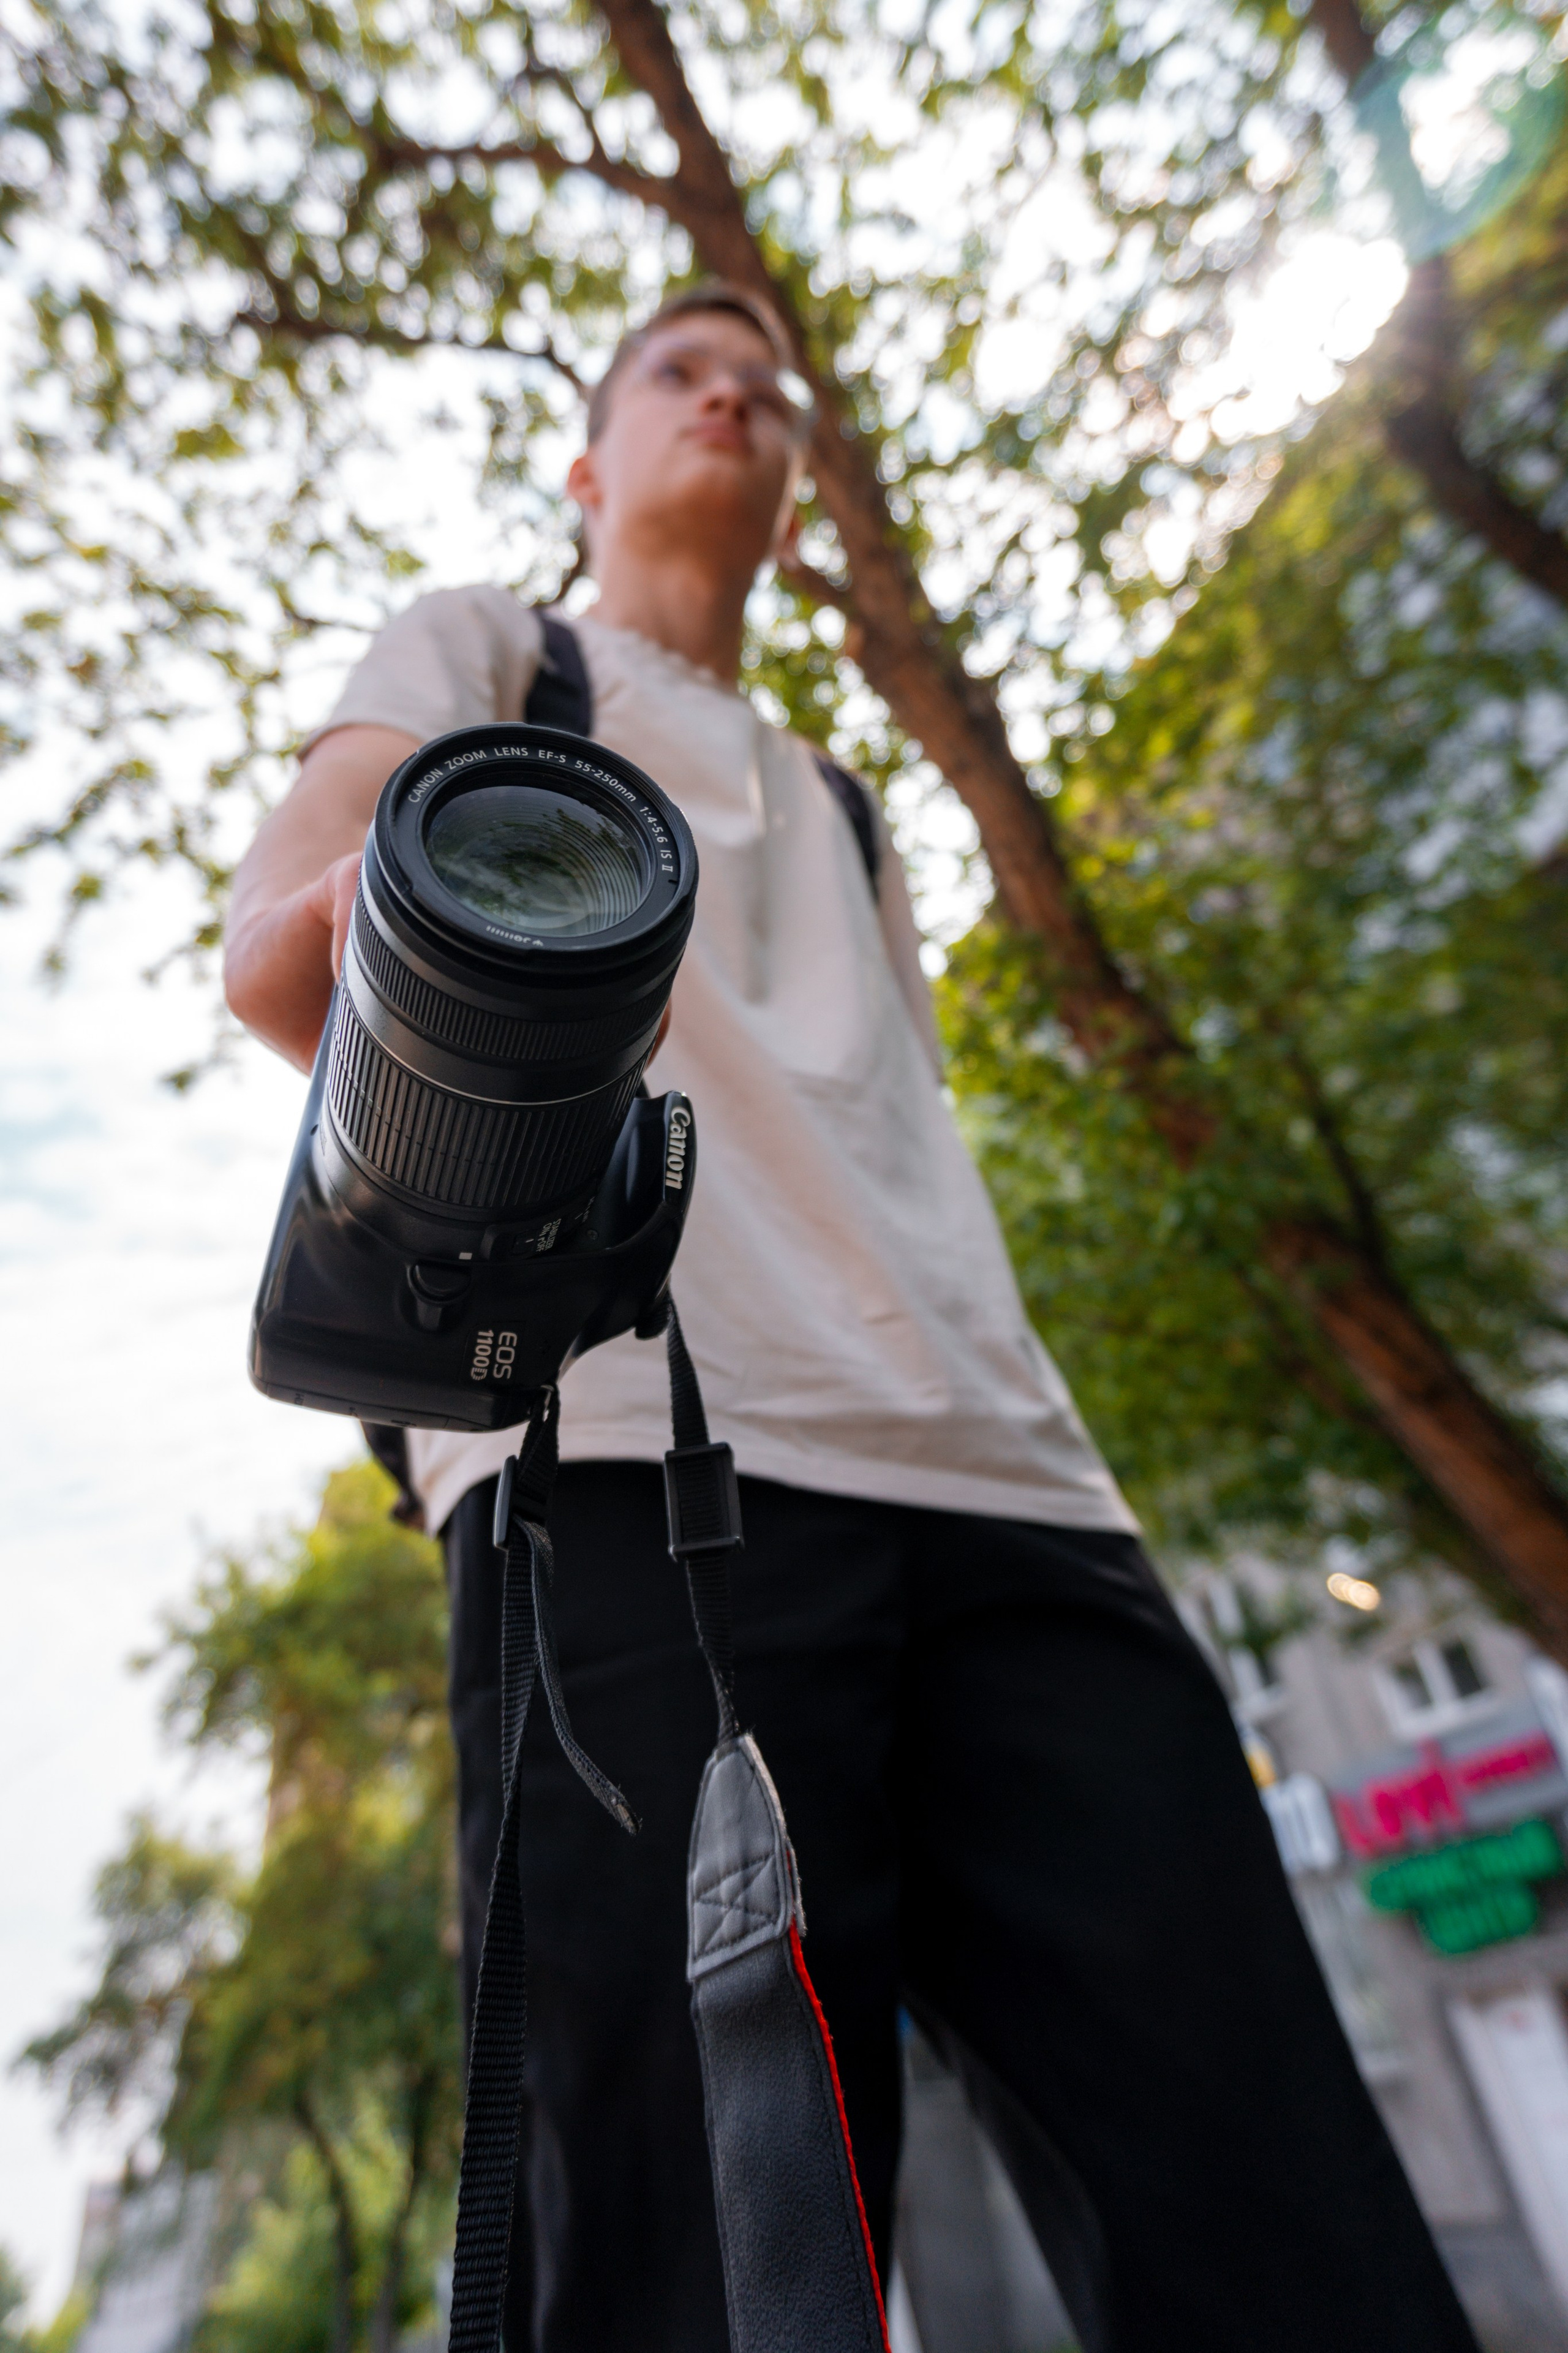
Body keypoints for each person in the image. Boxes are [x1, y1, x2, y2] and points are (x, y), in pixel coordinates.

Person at [225, 284, 1479, 2353]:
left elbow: (895, 1132)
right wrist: (453, 945)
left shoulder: (849, 802)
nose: (735, 396)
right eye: (680, 372)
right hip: (625, 1460)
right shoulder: (493, 653)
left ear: (801, 494)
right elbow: (285, 951)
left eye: (773, 389)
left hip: (1010, 1474)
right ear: (589, 460)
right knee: (703, 2275)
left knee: (1282, 2216)